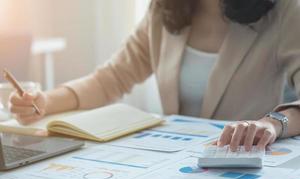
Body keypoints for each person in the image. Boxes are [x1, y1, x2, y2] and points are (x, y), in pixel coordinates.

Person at [8, 0, 300, 152]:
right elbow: (111, 79)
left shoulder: (285, 11)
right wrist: (46, 101)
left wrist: (274, 123)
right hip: (174, 166)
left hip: (244, 163)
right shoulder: (165, 8)